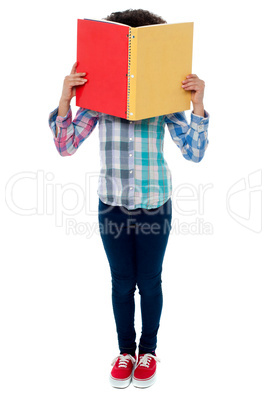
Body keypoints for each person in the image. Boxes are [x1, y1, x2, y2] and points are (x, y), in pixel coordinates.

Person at [48, 8, 209, 389]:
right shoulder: (99, 100)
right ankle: (125, 352)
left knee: (149, 282)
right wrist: (65, 98)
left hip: (156, 204)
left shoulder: (164, 100)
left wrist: (198, 104)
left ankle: (148, 351)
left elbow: (195, 152)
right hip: (113, 205)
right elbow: (65, 145)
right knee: (122, 282)